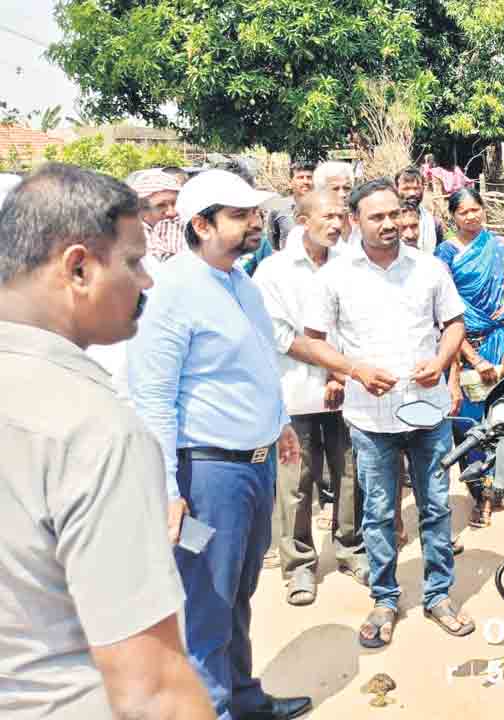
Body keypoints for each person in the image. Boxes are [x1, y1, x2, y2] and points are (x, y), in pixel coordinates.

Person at [0, 164, 215, 720]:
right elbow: (152, 691)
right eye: (134, 262)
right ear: (78, 268)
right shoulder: (93, 429)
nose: (147, 282)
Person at [128, 169, 310, 720]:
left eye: (254, 213)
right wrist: (165, 490)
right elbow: (153, 399)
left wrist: (278, 422)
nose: (255, 222)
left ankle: (244, 699)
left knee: (238, 594)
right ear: (201, 225)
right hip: (207, 476)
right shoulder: (172, 293)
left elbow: (258, 362)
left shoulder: (241, 283)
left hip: (253, 470)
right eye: (239, 215)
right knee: (206, 602)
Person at [294, 178, 471, 647]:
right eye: (377, 216)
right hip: (370, 418)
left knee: (435, 507)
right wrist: (354, 370)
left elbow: (454, 324)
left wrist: (440, 362)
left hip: (428, 414)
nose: (389, 223)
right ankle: (385, 599)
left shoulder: (429, 268)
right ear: (356, 221)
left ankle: (438, 595)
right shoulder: (334, 276)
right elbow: (312, 340)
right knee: (376, 512)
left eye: (394, 214)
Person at [254, 190, 369, 605]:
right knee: (296, 484)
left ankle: (351, 549)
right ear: (303, 221)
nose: (337, 225)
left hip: (348, 393)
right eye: (328, 217)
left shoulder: (353, 264)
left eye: (342, 217)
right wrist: (335, 368)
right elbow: (281, 336)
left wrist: (343, 375)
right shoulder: (273, 272)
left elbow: (358, 327)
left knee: (350, 475)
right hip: (295, 395)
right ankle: (299, 566)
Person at [435, 187, 504, 528]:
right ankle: (480, 494)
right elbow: (444, 313)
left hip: (503, 343)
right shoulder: (444, 254)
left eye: (476, 209)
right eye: (463, 212)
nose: (471, 216)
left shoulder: (501, 248)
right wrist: (473, 357)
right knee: (470, 428)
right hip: (464, 347)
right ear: (452, 217)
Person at [129, 168, 185, 262]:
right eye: (161, 206)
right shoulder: (129, 237)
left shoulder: (184, 226)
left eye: (175, 203)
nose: (172, 212)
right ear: (142, 208)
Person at [262, 160, 315, 251]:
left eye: (309, 177)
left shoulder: (325, 209)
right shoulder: (278, 209)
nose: (305, 181)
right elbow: (272, 247)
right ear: (290, 183)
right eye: (300, 177)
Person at [394, 166, 446, 254]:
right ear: (396, 189)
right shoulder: (387, 220)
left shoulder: (434, 223)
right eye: (406, 188)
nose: (412, 193)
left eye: (416, 188)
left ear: (423, 188)